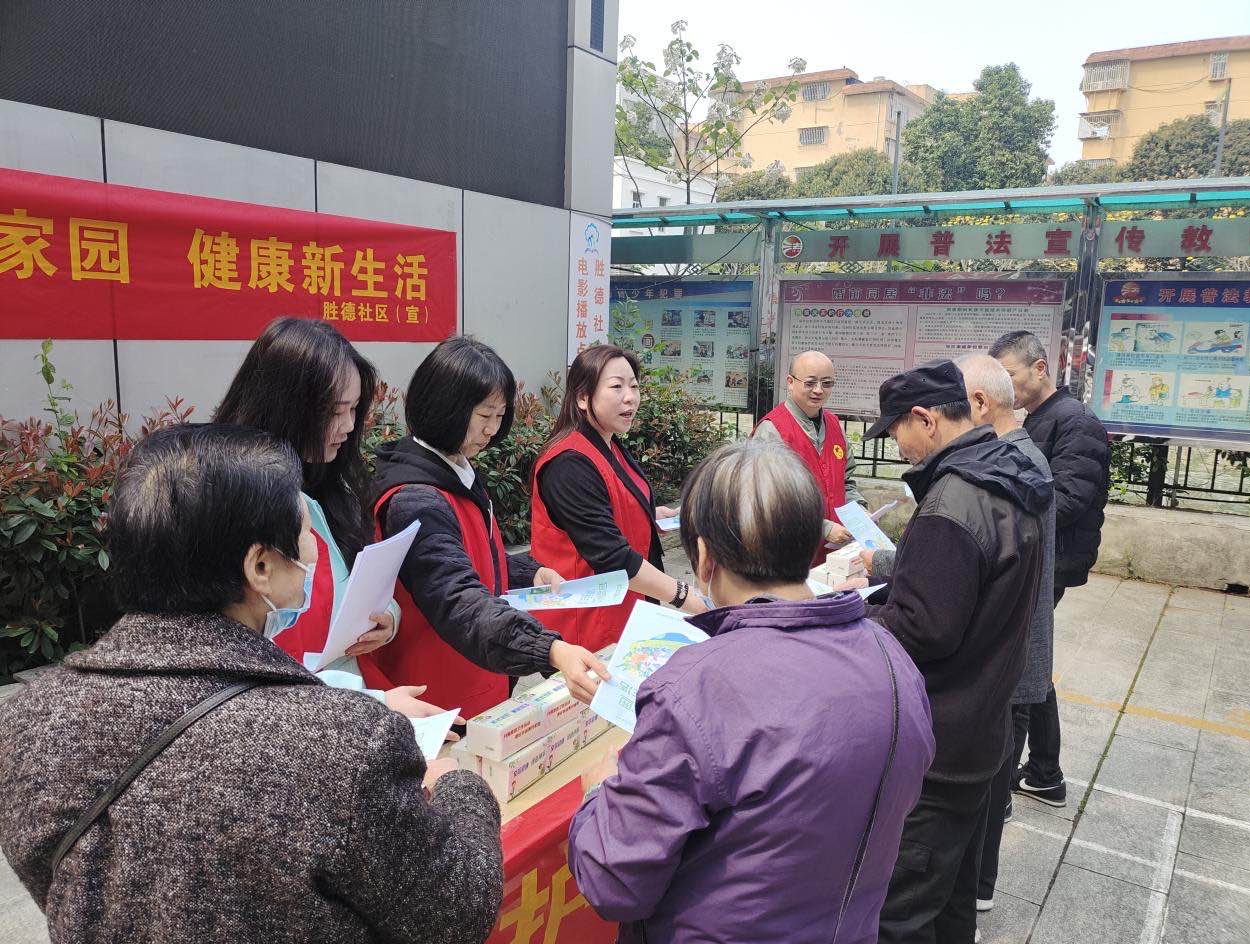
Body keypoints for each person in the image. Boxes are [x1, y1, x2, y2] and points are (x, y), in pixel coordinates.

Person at [0, 424, 503, 943]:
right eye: (305, 533)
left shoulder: (26, 721)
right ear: (260, 566)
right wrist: (459, 787)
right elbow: (456, 913)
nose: (314, 552)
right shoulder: (344, 742)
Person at [568, 441, 935, 943]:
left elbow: (614, 882)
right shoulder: (892, 659)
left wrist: (599, 794)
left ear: (704, 557)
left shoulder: (693, 688)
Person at [861, 360, 1051, 944]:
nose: (897, 446)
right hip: (981, 732)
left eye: (896, 430)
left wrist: (851, 617)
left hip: (940, 747)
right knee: (952, 904)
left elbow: (925, 628)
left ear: (925, 419)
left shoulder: (954, 500)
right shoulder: (1008, 475)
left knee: (901, 912)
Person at [366, 337, 608, 716]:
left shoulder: (453, 469)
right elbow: (456, 598)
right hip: (436, 695)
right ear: (446, 406)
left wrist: (528, 572)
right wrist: (549, 649)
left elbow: (469, 553)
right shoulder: (417, 499)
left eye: (500, 415)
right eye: (484, 416)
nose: (493, 430)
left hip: (471, 679)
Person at [214, 317, 439, 720]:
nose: (349, 426)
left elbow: (360, 582)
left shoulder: (329, 485)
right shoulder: (233, 502)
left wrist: (385, 617)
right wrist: (377, 703)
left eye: (354, 409)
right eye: (336, 411)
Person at [990, 330, 1109, 808]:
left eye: (1010, 376)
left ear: (1040, 368)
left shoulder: (1075, 421)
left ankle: (1011, 786)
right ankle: (1044, 773)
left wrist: (1000, 515)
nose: (1006, 387)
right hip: (1037, 552)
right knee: (1032, 659)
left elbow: (1068, 499)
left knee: (1022, 663)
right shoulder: (1041, 418)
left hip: (1050, 557)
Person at [956, 354, 1055, 914]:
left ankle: (978, 887)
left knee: (991, 787)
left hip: (1009, 659)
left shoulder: (1014, 463)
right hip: (1013, 653)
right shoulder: (1017, 455)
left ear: (979, 403)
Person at [531, 344, 706, 652]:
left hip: (622, 612)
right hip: (585, 628)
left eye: (634, 386)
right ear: (582, 397)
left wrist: (649, 514)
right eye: (617, 386)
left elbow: (610, 506)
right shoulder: (568, 464)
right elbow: (612, 557)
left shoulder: (607, 442)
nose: (630, 397)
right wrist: (685, 596)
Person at [752, 349, 865, 563]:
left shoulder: (834, 425)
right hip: (788, 553)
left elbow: (846, 482)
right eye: (810, 383)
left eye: (827, 383)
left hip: (834, 555)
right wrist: (822, 527)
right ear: (790, 382)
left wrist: (859, 513)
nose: (818, 390)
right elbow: (764, 498)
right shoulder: (772, 430)